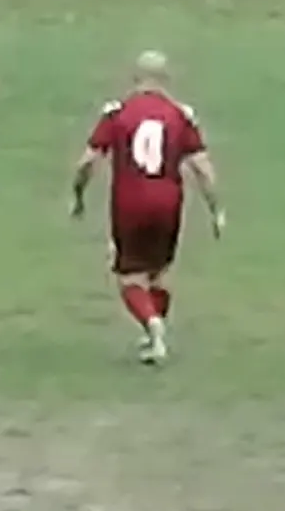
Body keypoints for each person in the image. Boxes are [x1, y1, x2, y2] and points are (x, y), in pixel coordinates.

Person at [71, 51, 223, 366]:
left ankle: (153, 327)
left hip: (129, 203)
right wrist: (215, 209)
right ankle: (153, 332)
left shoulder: (118, 113)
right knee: (157, 274)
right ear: (166, 78)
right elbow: (202, 168)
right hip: (169, 202)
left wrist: (78, 194)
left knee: (129, 277)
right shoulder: (180, 115)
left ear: (135, 78)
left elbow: (88, 161)